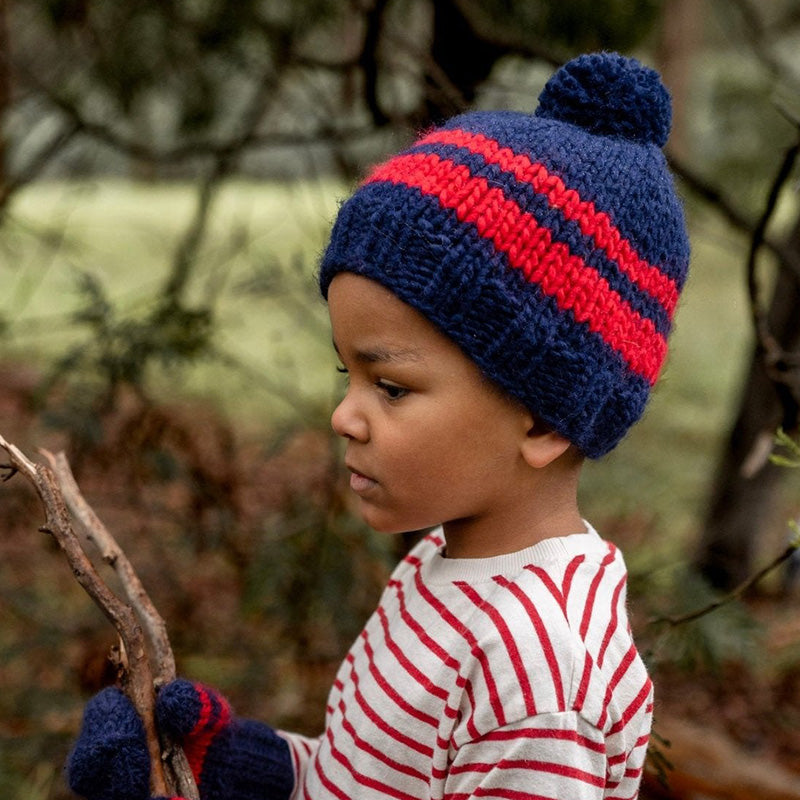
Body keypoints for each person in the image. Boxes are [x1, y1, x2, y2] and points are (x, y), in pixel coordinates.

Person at [66, 51, 690, 800]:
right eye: (346, 375)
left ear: (547, 420)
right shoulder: (444, 567)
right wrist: (240, 767)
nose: (343, 416)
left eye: (389, 385)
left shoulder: (537, 674)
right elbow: (358, 779)